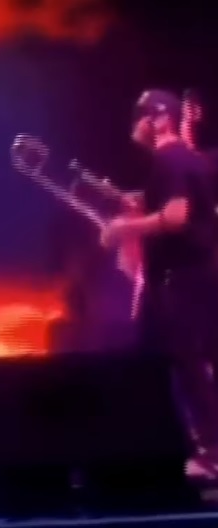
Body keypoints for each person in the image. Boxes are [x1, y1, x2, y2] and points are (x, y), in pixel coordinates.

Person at [102, 89, 218, 461]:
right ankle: (169, 443)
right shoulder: (187, 160)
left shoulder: (170, 160)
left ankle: (205, 444)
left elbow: (176, 216)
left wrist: (123, 228)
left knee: (181, 366)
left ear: (161, 118)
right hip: (189, 279)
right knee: (159, 362)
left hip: (177, 282)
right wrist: (141, 202)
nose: (135, 124)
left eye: (141, 115)